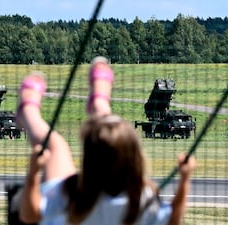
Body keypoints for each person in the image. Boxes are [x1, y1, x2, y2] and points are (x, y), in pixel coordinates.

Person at [17, 56, 196, 225]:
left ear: (89, 159)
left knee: (56, 145)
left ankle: (28, 112)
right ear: (134, 160)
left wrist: (33, 173)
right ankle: (99, 105)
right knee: (107, 137)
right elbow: (173, 219)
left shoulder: (72, 194)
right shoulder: (139, 198)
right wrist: (185, 179)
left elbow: (29, 214)